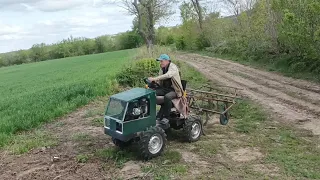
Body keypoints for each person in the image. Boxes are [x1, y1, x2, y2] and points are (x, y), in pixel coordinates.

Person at [148, 54, 186, 123]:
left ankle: (166, 117)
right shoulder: (162, 68)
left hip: (175, 90)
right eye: (160, 61)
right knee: (150, 93)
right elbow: (160, 78)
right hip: (165, 89)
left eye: (161, 61)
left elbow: (168, 75)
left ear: (167, 61)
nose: (160, 63)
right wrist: (154, 82)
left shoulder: (173, 67)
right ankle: (149, 115)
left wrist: (155, 78)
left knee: (167, 97)